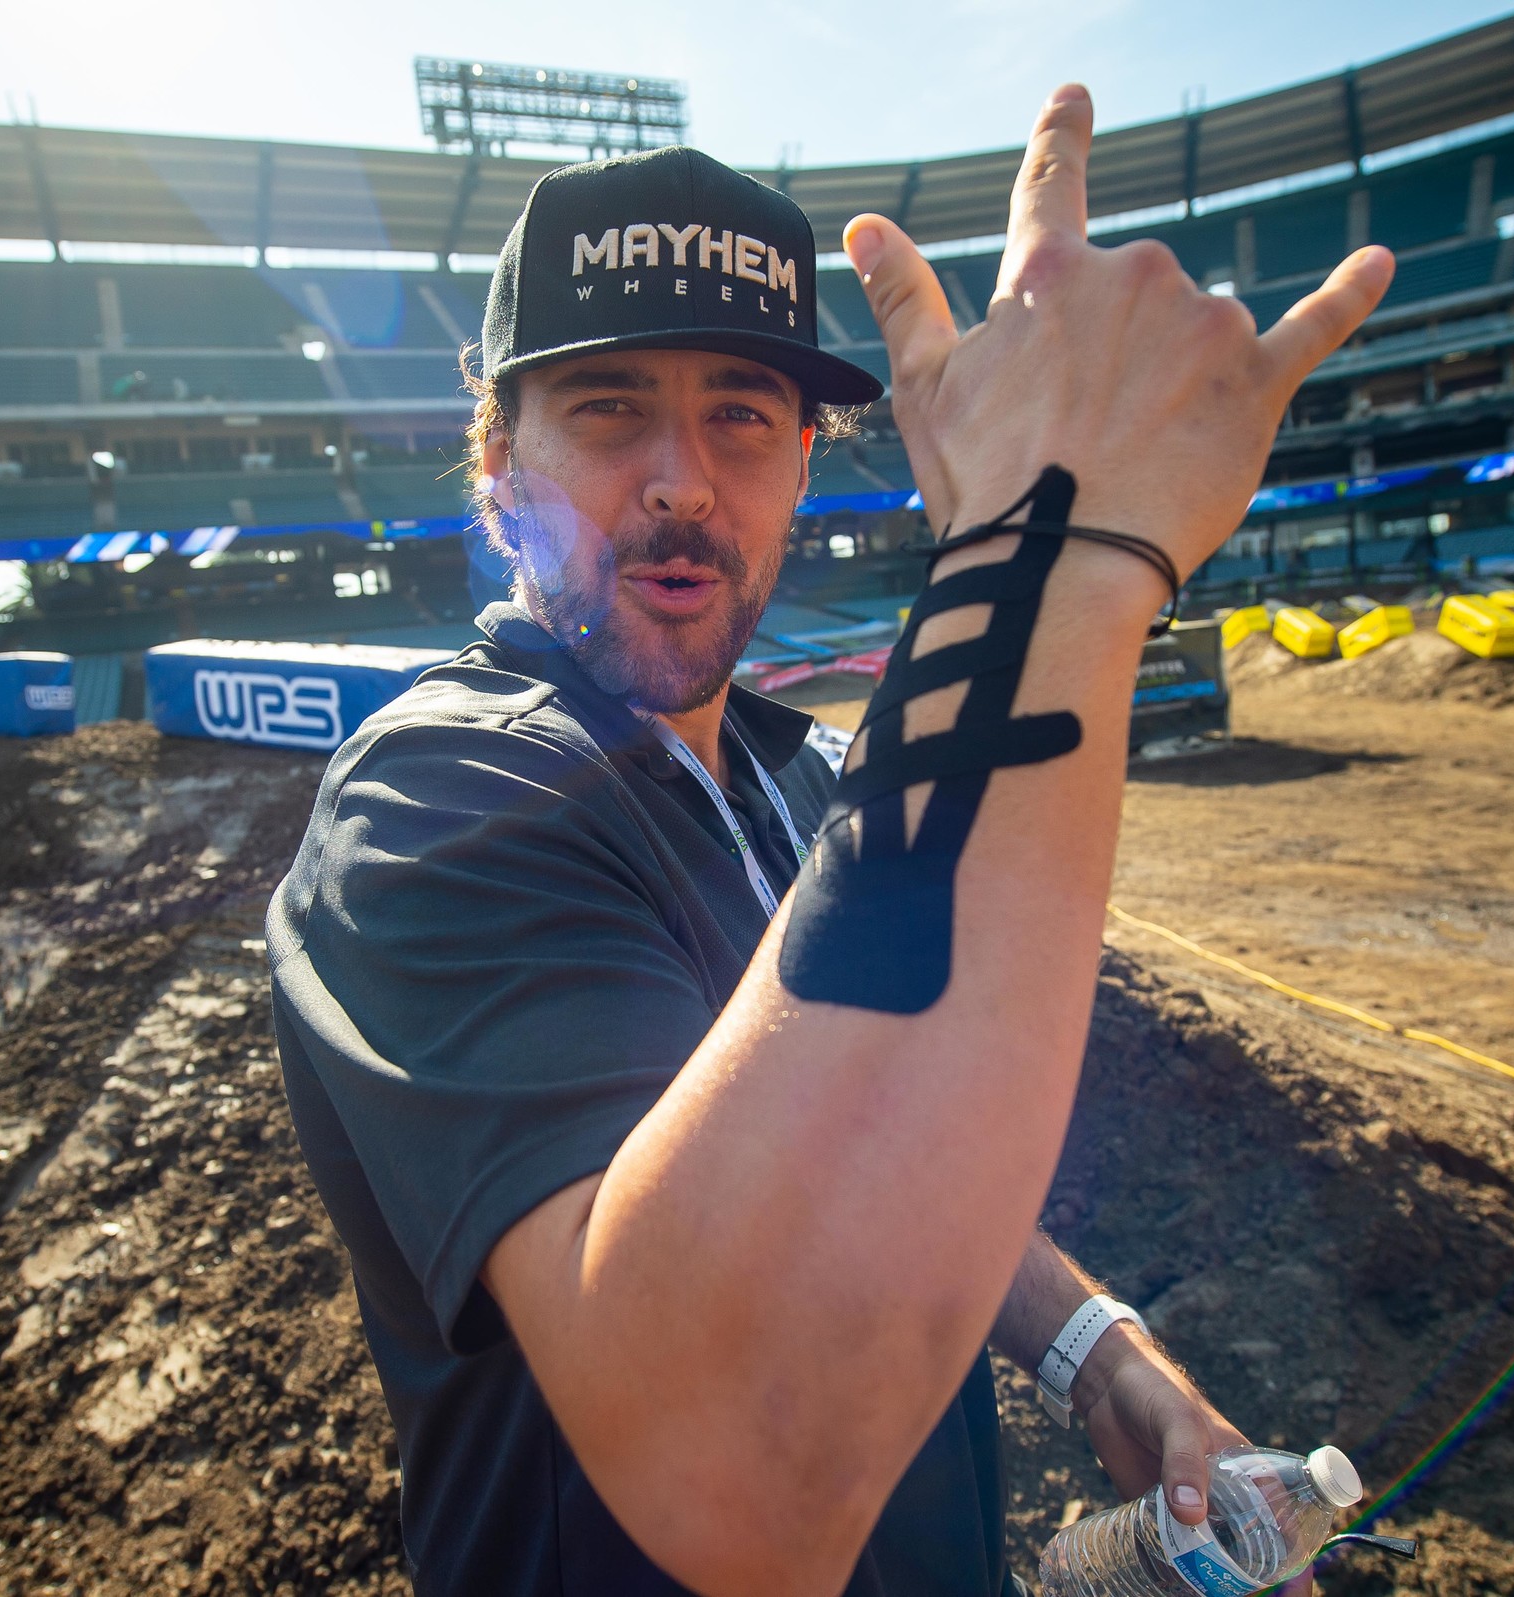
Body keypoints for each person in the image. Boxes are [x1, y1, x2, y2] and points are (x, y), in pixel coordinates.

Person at [268, 85, 1393, 1596]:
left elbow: (871, 1148)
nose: (680, 478)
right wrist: (1052, 552)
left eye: (740, 413)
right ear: (498, 468)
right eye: (608, 407)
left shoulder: (813, 780)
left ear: (803, 462)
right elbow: (732, 1455)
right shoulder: (435, 802)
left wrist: (1098, 1355)